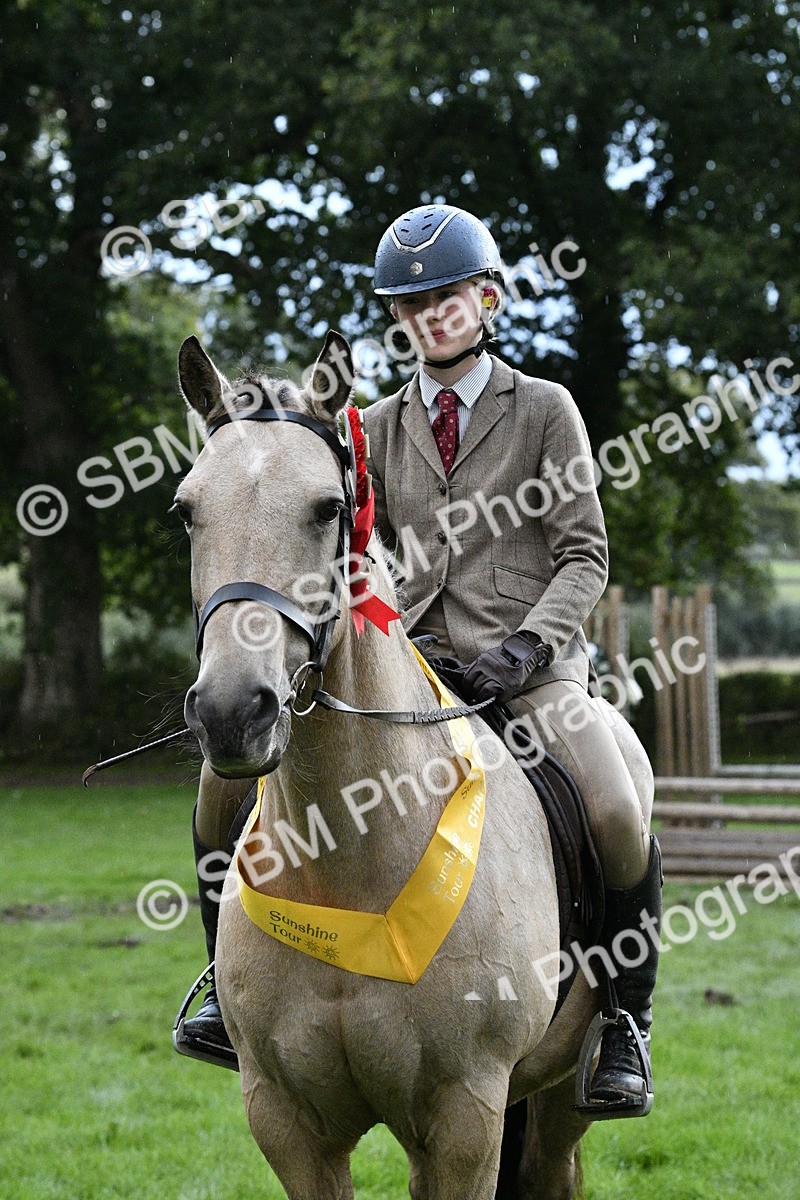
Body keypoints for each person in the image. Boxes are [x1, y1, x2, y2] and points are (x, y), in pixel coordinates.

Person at [362, 203, 662, 1117]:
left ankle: (623, 1022)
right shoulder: (372, 425)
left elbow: (586, 554)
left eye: (445, 298)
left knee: (613, 806)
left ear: (487, 299)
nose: (428, 318)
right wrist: (393, 637)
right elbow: (363, 558)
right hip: (412, 669)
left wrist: (528, 646)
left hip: (534, 671)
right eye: (410, 306)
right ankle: (235, 988)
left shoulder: (544, 409)